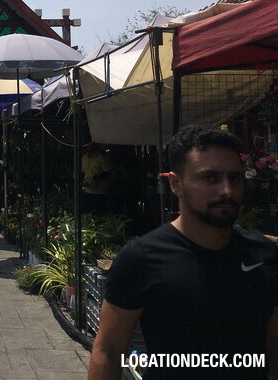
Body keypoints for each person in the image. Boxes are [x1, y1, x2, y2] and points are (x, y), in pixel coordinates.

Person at [87, 125, 278, 380]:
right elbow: (108, 353)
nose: (227, 191)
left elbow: (273, 345)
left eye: (235, 178)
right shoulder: (142, 259)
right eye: (210, 178)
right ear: (176, 184)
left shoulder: (263, 255)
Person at [82, 142, 112, 214]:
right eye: (88, 146)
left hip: (100, 191)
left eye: (91, 146)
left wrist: (94, 178)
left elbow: (108, 173)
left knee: (99, 213)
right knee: (88, 212)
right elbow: (83, 171)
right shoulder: (84, 158)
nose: (89, 147)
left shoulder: (102, 157)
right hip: (87, 190)